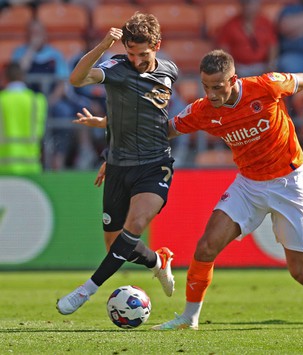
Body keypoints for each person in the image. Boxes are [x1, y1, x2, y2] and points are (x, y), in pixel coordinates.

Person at [76, 50, 303, 329]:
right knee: (205, 248)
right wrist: (116, 145)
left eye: (217, 87)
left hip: (287, 183)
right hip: (248, 184)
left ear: (233, 80)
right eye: (205, 86)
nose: (211, 94)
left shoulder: (265, 86)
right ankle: (189, 319)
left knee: (301, 273)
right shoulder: (203, 110)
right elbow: (159, 130)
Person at [56, 12, 177, 315]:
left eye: (143, 54)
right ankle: (157, 261)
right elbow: (77, 78)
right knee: (117, 245)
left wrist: (105, 124)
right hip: (120, 164)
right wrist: (102, 46)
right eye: (130, 53)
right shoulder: (116, 68)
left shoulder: (170, 71)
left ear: (157, 45)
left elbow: (150, 117)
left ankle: (86, 290)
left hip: (155, 163)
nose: (136, 60)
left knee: (134, 226)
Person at [11, 19, 75, 170]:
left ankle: (58, 159)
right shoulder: (20, 53)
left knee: (65, 113)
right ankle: (35, 158)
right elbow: (17, 74)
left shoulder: (54, 54)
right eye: (32, 33)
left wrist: (50, 101)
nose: (36, 37)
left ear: (45, 35)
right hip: (27, 101)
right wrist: (31, 49)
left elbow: (62, 82)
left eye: (38, 33)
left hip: (51, 99)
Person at [0, 61, 47, 174]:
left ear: (4, 78)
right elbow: (40, 132)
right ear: (23, 77)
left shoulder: (2, 101)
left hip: (3, 169)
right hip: (32, 167)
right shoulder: (38, 101)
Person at [214, 0, 278, 77]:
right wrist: (231, 68)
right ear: (241, 6)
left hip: (262, 66)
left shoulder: (266, 23)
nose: (249, 8)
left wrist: (270, 66)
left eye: (252, 4)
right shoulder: (230, 25)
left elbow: (273, 46)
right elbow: (224, 49)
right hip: (239, 68)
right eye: (246, 4)